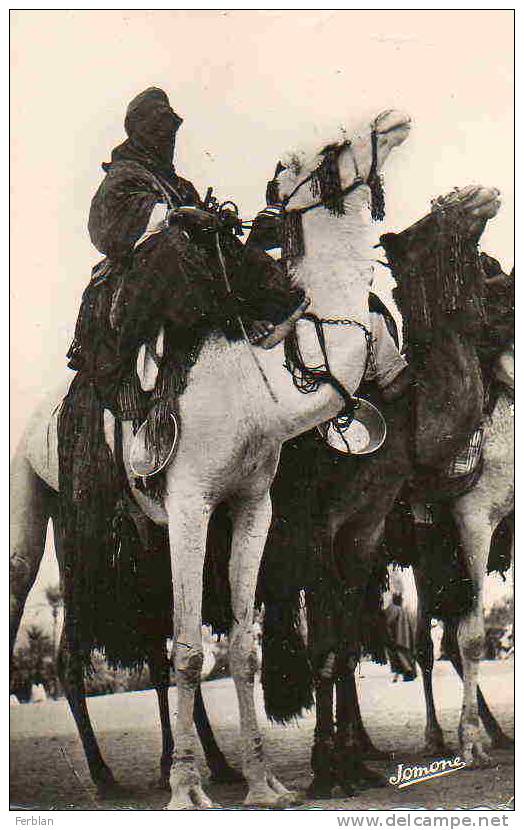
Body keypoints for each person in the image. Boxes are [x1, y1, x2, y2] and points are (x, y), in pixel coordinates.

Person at [68, 87, 307, 422]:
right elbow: (105, 231)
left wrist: (216, 222)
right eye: (158, 131)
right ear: (140, 132)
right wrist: (174, 216)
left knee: (232, 250)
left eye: (169, 133)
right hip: (142, 277)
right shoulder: (123, 176)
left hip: (192, 265)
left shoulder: (179, 184)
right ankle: (230, 326)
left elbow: (201, 223)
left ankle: (273, 311)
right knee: (174, 250)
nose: (166, 139)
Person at [384, 593, 417, 683]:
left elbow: (388, 621)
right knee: (405, 655)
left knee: (400, 655)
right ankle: (407, 672)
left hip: (398, 637)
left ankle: (407, 671)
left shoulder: (393, 609)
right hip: (404, 637)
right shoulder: (402, 610)